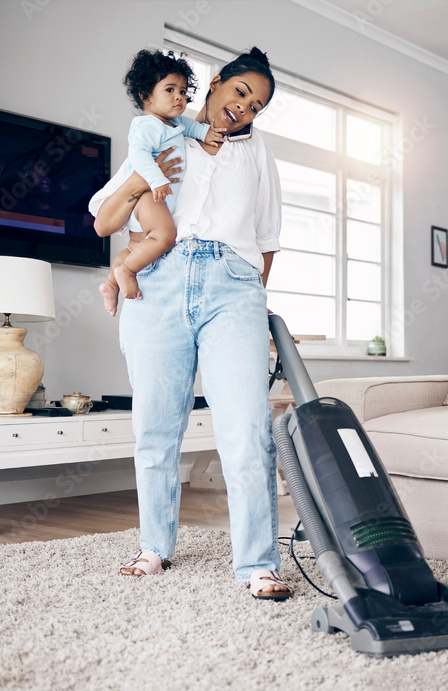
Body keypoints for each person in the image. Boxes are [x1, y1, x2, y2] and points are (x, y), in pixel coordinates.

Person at [89, 47, 291, 600]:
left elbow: (267, 240)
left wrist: (254, 300)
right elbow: (105, 219)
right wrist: (141, 183)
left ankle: (257, 564)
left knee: (246, 428)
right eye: (241, 93)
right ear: (218, 83)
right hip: (158, 283)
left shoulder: (257, 152)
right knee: (155, 427)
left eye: (257, 106)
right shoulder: (159, 134)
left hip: (233, 286)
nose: (245, 109)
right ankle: (155, 546)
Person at [99, 49, 226, 317]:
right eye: (170, 89)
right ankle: (127, 271)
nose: (179, 97)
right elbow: (139, 155)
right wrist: (156, 181)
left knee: (137, 247)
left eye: (182, 91)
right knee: (165, 237)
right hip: (149, 196)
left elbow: (191, 128)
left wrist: (207, 133)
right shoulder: (146, 125)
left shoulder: (174, 122)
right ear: (146, 95)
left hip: (158, 199)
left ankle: (110, 284)